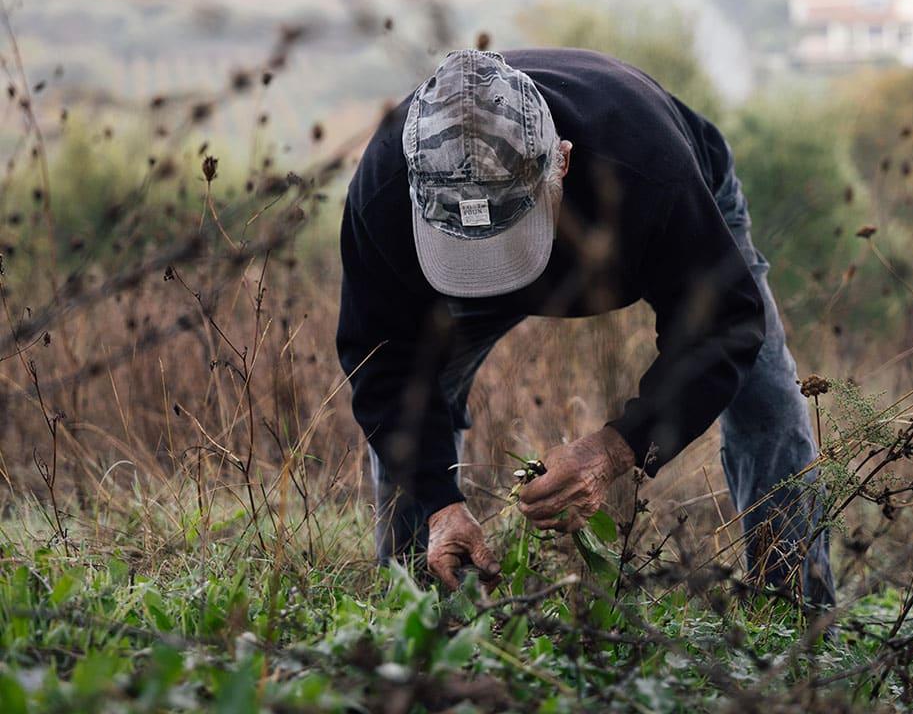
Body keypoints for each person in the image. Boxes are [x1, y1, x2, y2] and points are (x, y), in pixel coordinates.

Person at [336, 48, 834, 608]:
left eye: (508, 240)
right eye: (473, 250)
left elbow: (725, 325)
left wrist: (617, 448)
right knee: (414, 408)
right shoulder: (383, 189)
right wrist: (435, 501)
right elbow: (381, 363)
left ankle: (799, 620)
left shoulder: (648, 169)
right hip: (455, 264)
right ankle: (420, 616)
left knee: (767, 399)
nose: (496, 273)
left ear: (563, 163)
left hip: (673, 205)